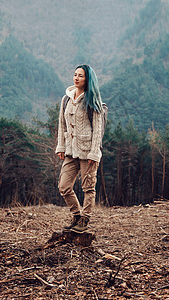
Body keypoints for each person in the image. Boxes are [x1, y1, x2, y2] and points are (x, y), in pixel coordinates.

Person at [55, 64, 103, 233]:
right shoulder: (66, 99)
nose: (76, 78)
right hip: (70, 150)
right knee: (64, 186)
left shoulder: (92, 100)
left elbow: (97, 129)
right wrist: (61, 146)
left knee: (88, 187)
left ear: (87, 79)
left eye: (80, 76)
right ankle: (76, 215)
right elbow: (62, 124)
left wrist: (94, 153)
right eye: (75, 75)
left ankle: (85, 218)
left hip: (87, 151)